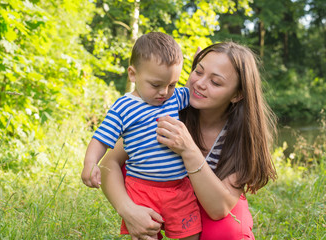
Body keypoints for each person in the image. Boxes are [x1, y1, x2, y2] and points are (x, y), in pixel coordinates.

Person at [100, 42, 277, 240]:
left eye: (215, 82)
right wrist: (129, 211)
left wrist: (188, 149)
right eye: (198, 72)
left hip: (211, 201)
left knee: (228, 233)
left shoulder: (242, 135)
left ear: (237, 94)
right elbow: (109, 164)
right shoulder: (167, 108)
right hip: (158, 192)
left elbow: (219, 209)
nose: (200, 83)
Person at [81, 32, 201, 240]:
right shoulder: (124, 107)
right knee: (144, 235)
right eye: (156, 85)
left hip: (179, 188)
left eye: (172, 84)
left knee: (191, 235)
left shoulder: (174, 99)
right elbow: (101, 138)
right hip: (142, 189)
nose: (164, 92)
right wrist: (90, 163)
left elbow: (195, 89)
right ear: (133, 74)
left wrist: (197, 67)